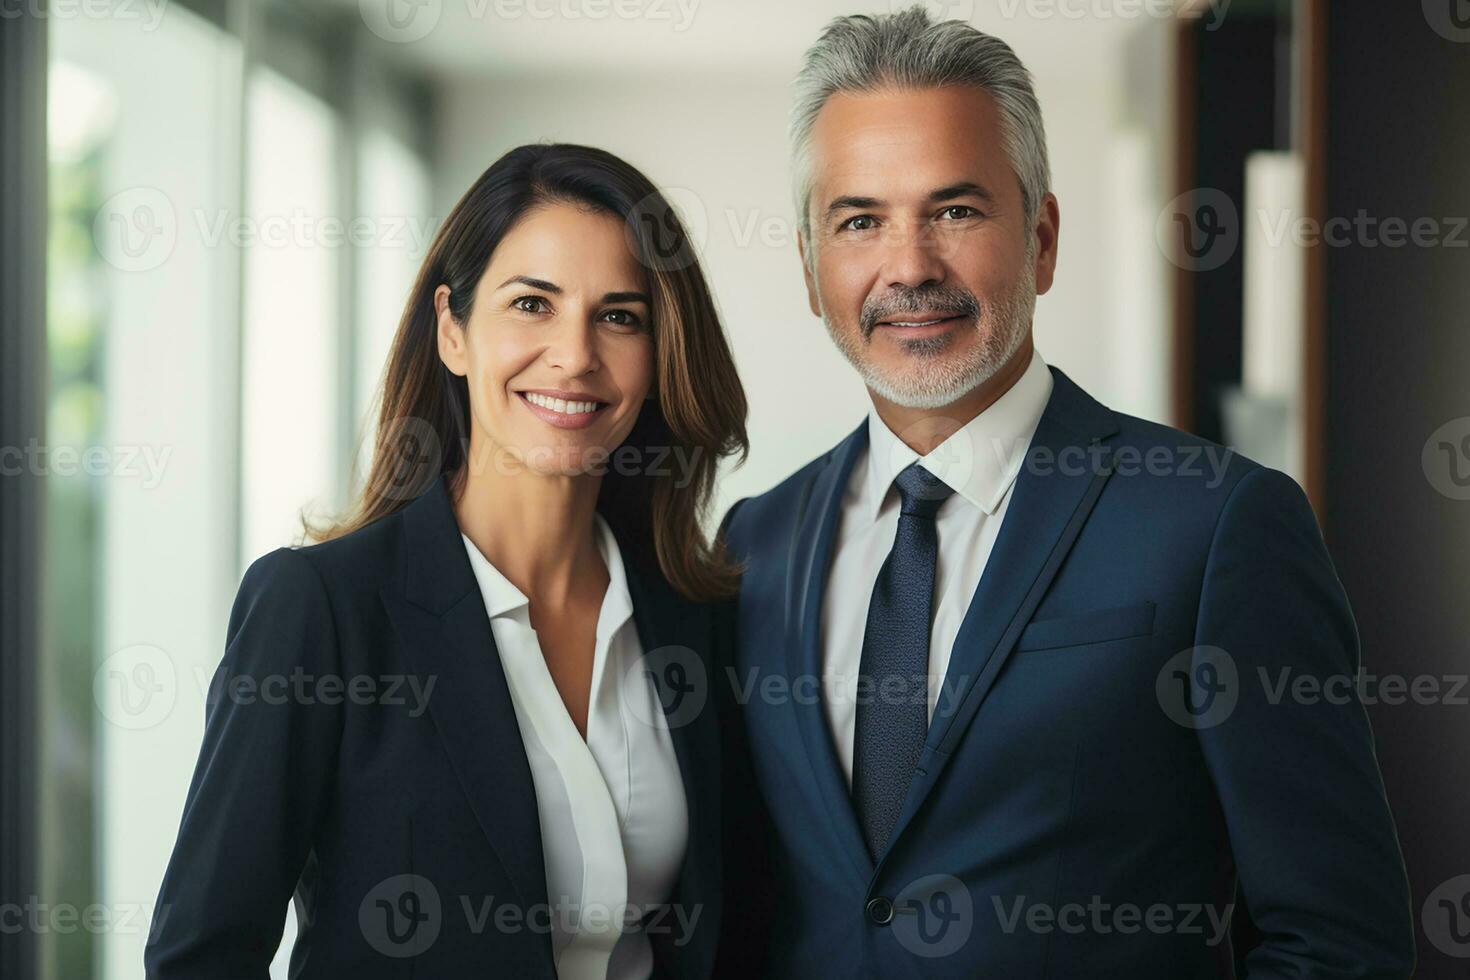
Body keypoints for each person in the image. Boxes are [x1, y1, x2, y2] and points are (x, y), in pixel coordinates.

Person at [718, 8, 1415, 978]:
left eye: (956, 211)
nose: (909, 265)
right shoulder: (754, 545)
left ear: (1041, 238)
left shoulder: (1216, 525)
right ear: (809, 267)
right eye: (860, 220)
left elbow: (1339, 942)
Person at [145, 143, 750, 979]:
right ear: (453, 331)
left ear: (658, 353)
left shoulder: (695, 613)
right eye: (533, 304)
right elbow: (202, 955)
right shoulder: (322, 608)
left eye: (620, 315)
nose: (575, 355)